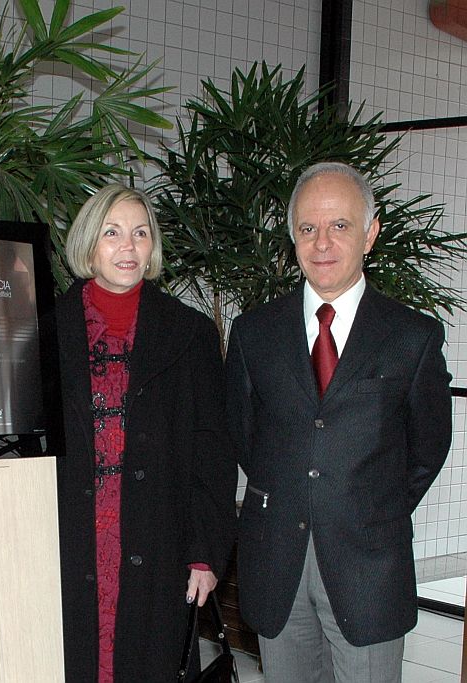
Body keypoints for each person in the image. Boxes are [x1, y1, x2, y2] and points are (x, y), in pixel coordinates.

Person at [225, 162, 452, 683]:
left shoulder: (412, 337)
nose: (322, 242)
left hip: (368, 564)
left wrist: (369, 506)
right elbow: (245, 435)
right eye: (308, 228)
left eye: (340, 225)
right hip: (277, 561)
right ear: (293, 238)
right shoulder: (253, 333)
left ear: (370, 234)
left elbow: (427, 447)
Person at [53, 184, 237, 681]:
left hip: (159, 542)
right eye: (112, 233)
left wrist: (205, 553)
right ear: (88, 243)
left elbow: (213, 450)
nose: (128, 247)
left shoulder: (190, 333)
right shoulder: (46, 330)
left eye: (140, 234)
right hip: (69, 540)